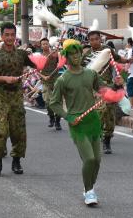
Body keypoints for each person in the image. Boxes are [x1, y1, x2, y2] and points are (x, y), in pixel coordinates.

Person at [49, 39, 110, 206]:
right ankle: (89, 191)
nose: (75, 56)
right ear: (66, 57)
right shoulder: (63, 79)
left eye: (77, 53)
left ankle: (89, 187)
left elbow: (103, 89)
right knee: (89, 159)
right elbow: (53, 103)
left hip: (93, 120)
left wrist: (115, 87)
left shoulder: (91, 74)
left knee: (97, 160)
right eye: (71, 54)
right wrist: (68, 117)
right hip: (77, 122)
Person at [0, 22, 35, 177]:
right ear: (2, 36)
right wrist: (4, 78)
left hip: (16, 97)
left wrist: (51, 56)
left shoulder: (21, 54)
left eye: (12, 35)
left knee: (18, 131)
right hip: (0, 97)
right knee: (1, 131)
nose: (9, 37)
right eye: (6, 35)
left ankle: (16, 161)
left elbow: (39, 65)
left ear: (15, 36)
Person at [82, 30, 127, 154]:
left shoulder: (107, 50)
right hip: (94, 89)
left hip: (109, 87)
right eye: (92, 40)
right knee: (98, 114)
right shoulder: (87, 55)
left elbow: (118, 59)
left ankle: (107, 140)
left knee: (109, 114)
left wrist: (128, 61)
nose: (95, 41)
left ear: (100, 39)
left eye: (97, 39)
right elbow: (80, 69)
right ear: (89, 41)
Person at [39, 38, 61, 130]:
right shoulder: (39, 57)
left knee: (57, 101)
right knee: (48, 101)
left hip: (55, 80)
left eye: (46, 44)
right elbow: (36, 70)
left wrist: (59, 55)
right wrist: (43, 77)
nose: (45, 45)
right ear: (41, 46)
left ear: (49, 44)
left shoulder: (55, 54)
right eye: (43, 44)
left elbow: (60, 64)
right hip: (45, 82)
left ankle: (58, 121)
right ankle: (51, 117)